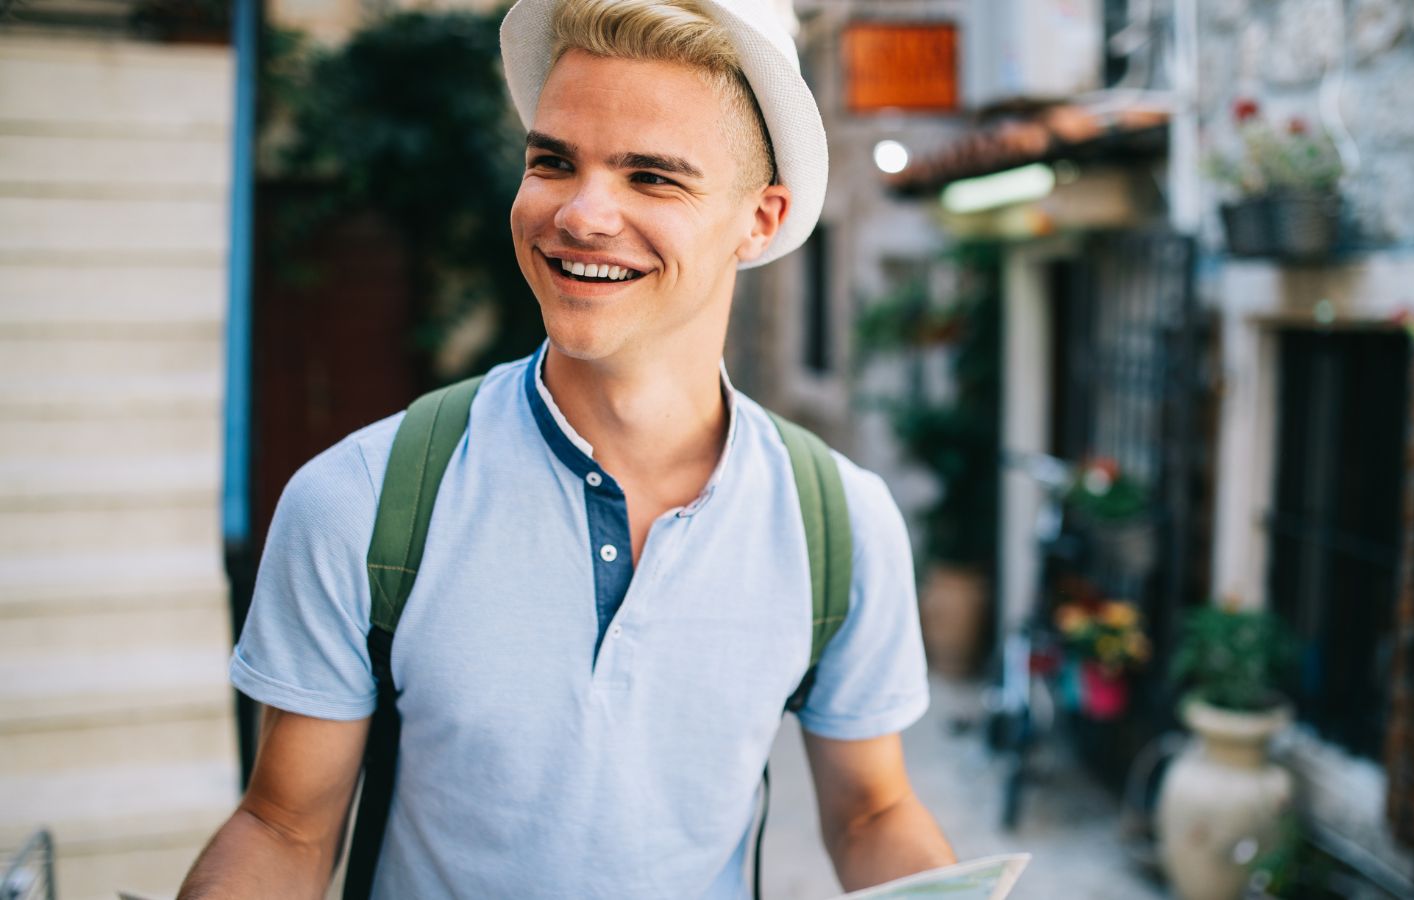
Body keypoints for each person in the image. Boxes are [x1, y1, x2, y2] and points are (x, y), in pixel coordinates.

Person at [179, 0, 955, 896]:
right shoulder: (361, 499)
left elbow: (870, 813)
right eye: (553, 161)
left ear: (762, 220)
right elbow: (283, 825)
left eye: (653, 178)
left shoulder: (840, 526)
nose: (582, 215)